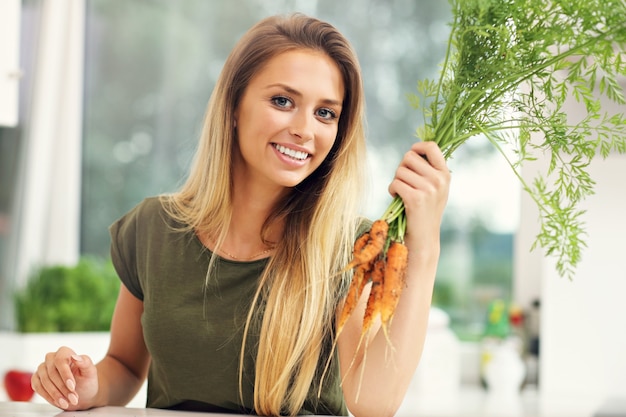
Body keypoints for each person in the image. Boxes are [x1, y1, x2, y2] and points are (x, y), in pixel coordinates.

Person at [31, 13, 450, 417]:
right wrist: (85, 387)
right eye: (283, 101)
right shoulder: (153, 228)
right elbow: (123, 365)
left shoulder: (352, 248)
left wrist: (425, 245)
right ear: (234, 106)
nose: (305, 129)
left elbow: (373, 403)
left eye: (326, 112)